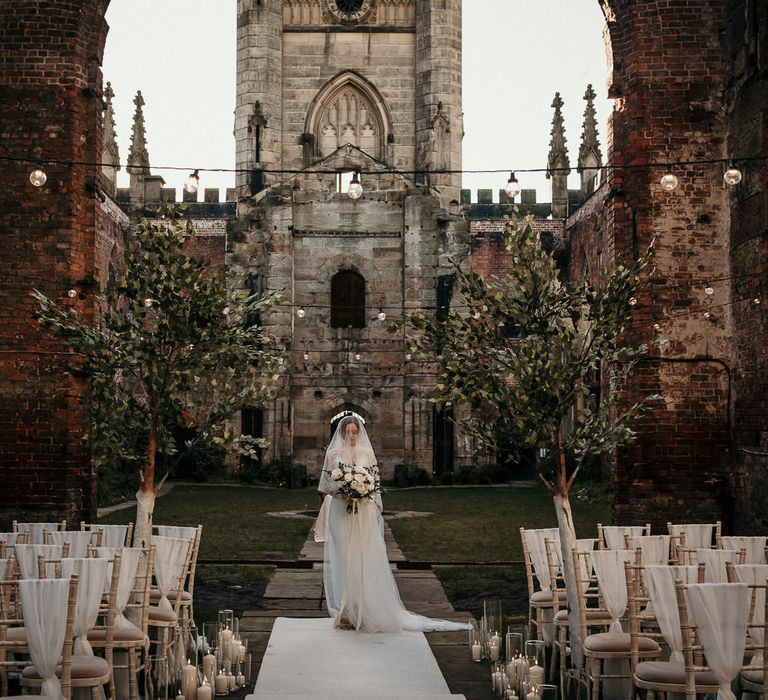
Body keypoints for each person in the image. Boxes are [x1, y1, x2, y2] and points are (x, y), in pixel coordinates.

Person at [315, 415, 469, 633]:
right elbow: (325, 486)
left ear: (359, 433)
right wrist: (343, 493)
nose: (351, 436)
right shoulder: (332, 455)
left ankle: (365, 609)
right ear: (341, 434)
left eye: (354, 432)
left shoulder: (367, 454)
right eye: (347, 432)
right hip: (340, 512)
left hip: (363, 513)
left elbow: (374, 483)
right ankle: (347, 611)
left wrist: (361, 492)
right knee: (344, 559)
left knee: (362, 558)